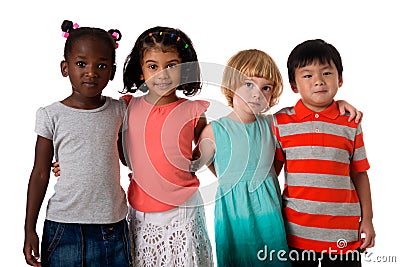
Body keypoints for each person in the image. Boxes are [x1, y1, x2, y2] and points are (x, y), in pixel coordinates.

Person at [23, 20, 132, 267]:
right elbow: (40, 172)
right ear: (65, 67)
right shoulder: (51, 115)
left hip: (112, 227)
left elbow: (127, 157)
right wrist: (29, 229)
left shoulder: (120, 110)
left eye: (101, 65)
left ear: (112, 72)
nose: (91, 72)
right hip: (64, 228)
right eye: (81, 63)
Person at [273, 39, 375, 266]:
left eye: (327, 73)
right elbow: (272, 174)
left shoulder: (350, 122)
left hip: (343, 237)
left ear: (340, 79)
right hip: (296, 234)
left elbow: (360, 174)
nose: (318, 81)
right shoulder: (280, 122)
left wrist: (367, 219)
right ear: (293, 85)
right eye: (307, 75)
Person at [120, 26, 213, 266]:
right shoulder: (128, 108)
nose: (162, 74)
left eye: (171, 66)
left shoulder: (192, 110)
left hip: (183, 211)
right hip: (143, 210)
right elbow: (119, 151)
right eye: (153, 66)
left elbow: (206, 149)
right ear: (140, 72)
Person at [192, 49, 291, 266]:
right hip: (233, 214)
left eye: (266, 88)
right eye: (249, 84)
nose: (257, 94)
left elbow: (275, 164)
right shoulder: (215, 130)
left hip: (268, 212)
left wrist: (340, 104)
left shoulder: (272, 125)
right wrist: (231, 179)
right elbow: (200, 163)